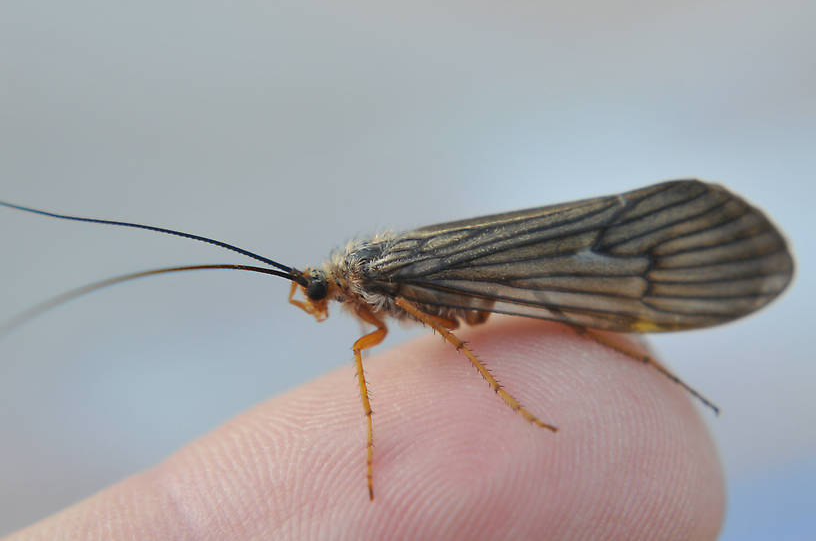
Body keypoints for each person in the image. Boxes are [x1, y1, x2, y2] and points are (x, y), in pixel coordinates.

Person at [4, 317, 724, 540]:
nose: (310, 303)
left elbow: (455, 328)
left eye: (316, 293)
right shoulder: (373, 289)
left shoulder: (384, 286)